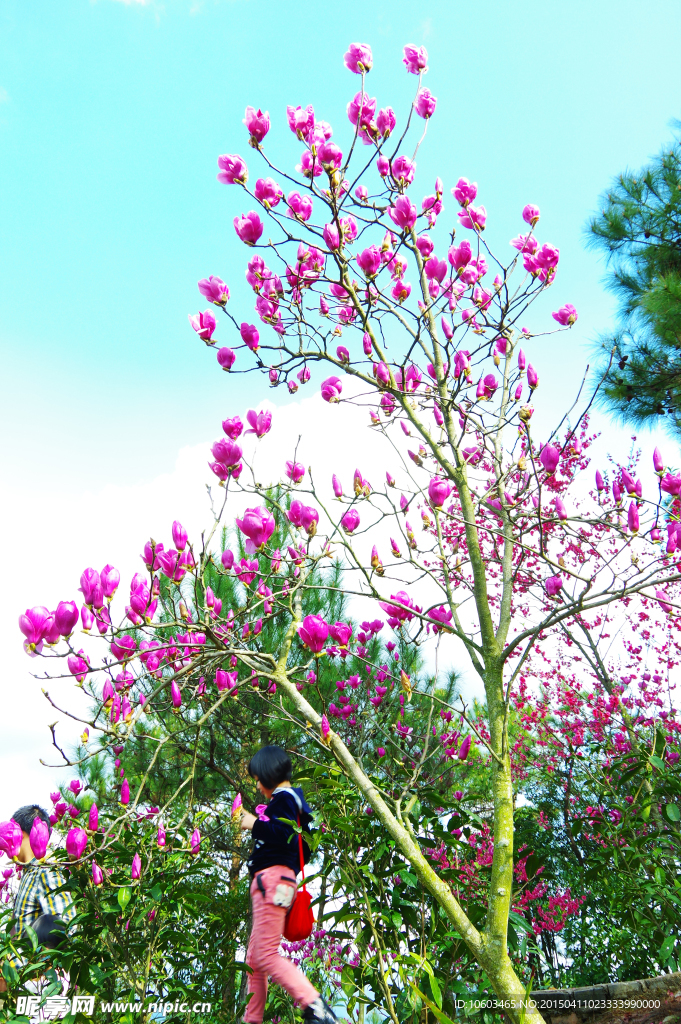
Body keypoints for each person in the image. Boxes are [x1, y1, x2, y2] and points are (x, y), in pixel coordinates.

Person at [239, 745, 337, 1024]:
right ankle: (252, 1018)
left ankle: (315, 1006)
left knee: (266, 956)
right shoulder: (295, 803)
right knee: (254, 960)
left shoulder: (284, 798)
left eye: (258, 779)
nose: (258, 786)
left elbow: (283, 834)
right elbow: (302, 843)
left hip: (272, 881)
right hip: (276, 882)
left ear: (269, 773)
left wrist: (253, 823)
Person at [0, 805, 76, 993]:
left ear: (24, 833)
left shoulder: (45, 869)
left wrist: (41, 972)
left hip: (40, 985)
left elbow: (66, 923)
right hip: (23, 983)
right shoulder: (29, 872)